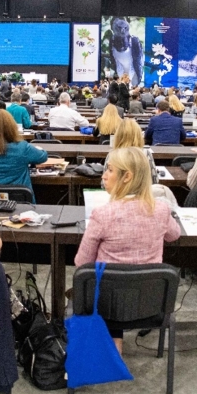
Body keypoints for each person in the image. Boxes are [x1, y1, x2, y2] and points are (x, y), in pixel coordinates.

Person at [73, 147, 180, 354]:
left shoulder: (102, 214)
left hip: (107, 304)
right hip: (150, 303)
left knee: (108, 282)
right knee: (124, 282)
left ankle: (112, 343)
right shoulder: (161, 209)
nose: (104, 175)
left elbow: (82, 263)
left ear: (127, 177)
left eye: (110, 170)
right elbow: (174, 235)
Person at [0, 110, 47, 196]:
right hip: (20, 199)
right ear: (12, 127)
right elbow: (43, 157)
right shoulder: (23, 147)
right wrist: (39, 149)